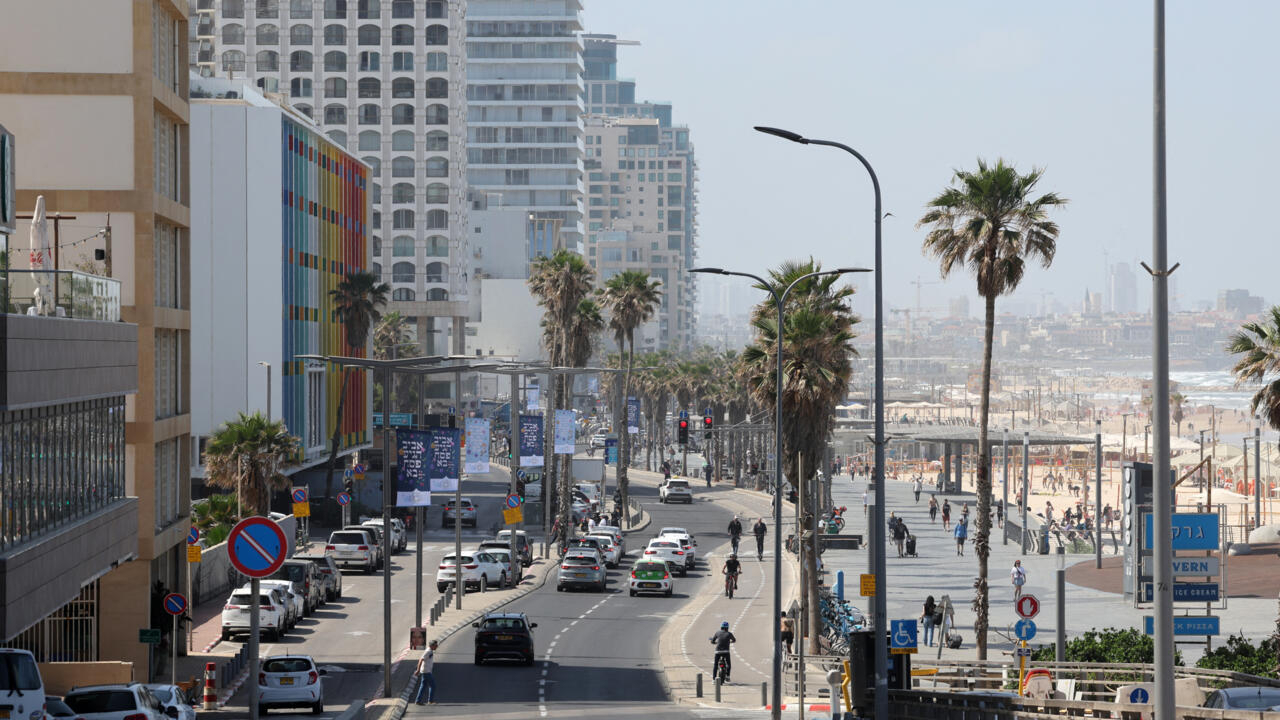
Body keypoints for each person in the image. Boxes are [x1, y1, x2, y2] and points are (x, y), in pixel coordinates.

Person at [414, 639, 438, 705]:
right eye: (436, 645)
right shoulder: (428, 651)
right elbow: (421, 660)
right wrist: (418, 670)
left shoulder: (430, 651)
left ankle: (418, 700)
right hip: (426, 672)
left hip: (426, 671)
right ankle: (430, 701)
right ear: (432, 645)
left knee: (423, 686)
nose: (437, 646)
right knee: (433, 686)